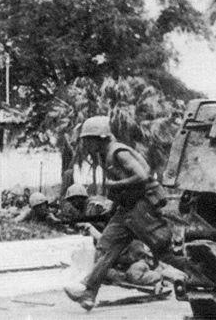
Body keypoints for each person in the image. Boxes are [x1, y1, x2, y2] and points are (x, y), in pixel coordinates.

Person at [64, 116, 187, 311]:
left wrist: (114, 185)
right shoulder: (105, 154)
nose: (85, 144)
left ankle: (205, 274)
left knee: (165, 254)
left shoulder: (118, 152)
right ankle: (88, 293)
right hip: (126, 209)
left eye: (88, 139)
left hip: (142, 208)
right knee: (106, 246)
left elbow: (142, 175)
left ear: (101, 137)